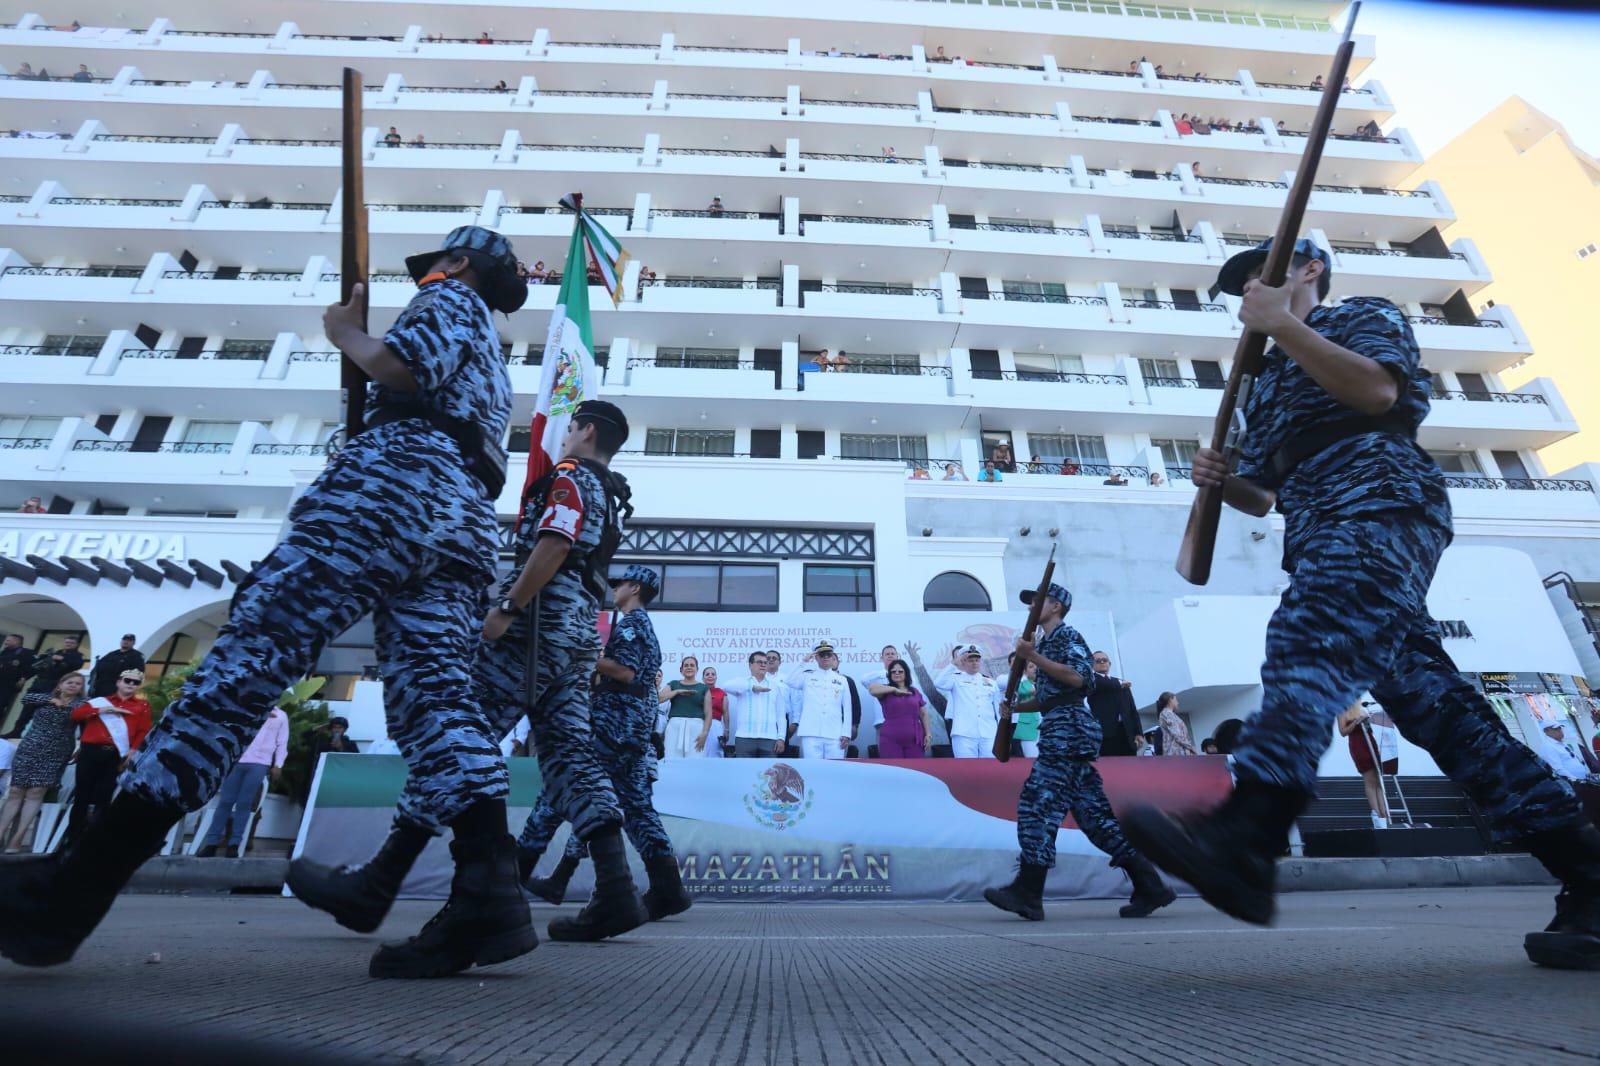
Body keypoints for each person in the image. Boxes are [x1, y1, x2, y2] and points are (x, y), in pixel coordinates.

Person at [0, 225, 531, 978]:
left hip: (388, 492)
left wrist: (347, 332)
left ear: (458, 263)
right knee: (438, 702)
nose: (427, 276)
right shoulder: (494, 360)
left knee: (247, 665)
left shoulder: (448, 299)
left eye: (436, 265)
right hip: (463, 520)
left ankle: (74, 892)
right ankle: (488, 890)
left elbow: (403, 369)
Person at [1121, 235, 1600, 972]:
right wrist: (1221, 479)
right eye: (1244, 283)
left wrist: (1284, 325)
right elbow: (1266, 490)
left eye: (1261, 272)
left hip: (1381, 503)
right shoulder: (1265, 381)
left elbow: (1377, 394)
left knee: (1307, 642)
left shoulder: (1357, 318)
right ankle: (1587, 868)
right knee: (1438, 711)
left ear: (1309, 269)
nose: (1249, 288)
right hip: (1318, 528)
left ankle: (1248, 834)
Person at [985, 582, 1173, 922]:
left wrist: (1033, 657)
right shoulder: (1047, 642)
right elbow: (1051, 697)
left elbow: (1079, 679)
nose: (1031, 608)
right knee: (1095, 819)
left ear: (1056, 606)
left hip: (1068, 731)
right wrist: (1017, 707)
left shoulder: (1066, 637)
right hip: (1064, 726)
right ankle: (1150, 884)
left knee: (1037, 805)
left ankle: (1029, 891)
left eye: (1037, 602)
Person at [523, 566, 692, 921]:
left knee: (561, 788)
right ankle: (668, 887)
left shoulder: (632, 624)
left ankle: (511, 875)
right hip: (627, 729)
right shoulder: (640, 625)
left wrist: (583, 655)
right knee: (636, 809)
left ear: (634, 587)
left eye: (619, 584)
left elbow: (625, 672)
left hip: (612, 725)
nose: (614, 589)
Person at [0, 673, 84, 854]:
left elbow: (89, 717)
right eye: (70, 682)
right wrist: (52, 700)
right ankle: (0, 834)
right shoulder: (44, 698)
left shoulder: (81, 704)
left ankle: (17, 839)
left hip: (57, 750)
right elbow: (26, 698)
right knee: (16, 790)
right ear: (60, 684)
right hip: (30, 747)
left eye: (78, 684)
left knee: (36, 791)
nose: (73, 686)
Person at [65, 670, 153, 842]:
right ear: (119, 682)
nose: (131, 684)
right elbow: (75, 715)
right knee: (82, 794)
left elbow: (143, 730)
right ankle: (73, 835)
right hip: (90, 751)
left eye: (136, 682)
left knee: (104, 795)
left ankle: (94, 837)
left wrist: (134, 749)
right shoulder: (100, 702)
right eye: (127, 680)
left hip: (116, 753)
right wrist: (104, 709)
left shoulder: (142, 706)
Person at [196, 704, 288, 857]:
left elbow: (282, 742)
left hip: (260, 762)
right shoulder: (244, 710)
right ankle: (211, 843)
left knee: (245, 803)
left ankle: (234, 844)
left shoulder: (281, 715)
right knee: (225, 801)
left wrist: (278, 764)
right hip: (235, 760)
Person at [785, 642, 852, 760]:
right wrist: (803, 662)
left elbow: (847, 708)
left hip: (835, 733)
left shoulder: (842, 680)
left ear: (833, 657)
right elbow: (789, 680)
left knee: (835, 770)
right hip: (811, 733)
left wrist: (846, 733)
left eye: (828, 654)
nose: (825, 657)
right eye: (822, 655)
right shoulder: (807, 676)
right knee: (812, 771)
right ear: (816, 657)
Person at [935, 644, 1001, 758]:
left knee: (991, 770)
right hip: (964, 734)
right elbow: (938, 683)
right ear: (963, 662)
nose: (974, 663)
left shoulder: (991, 682)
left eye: (977, 660)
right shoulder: (955, 678)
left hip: (989, 733)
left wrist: (1002, 734)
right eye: (970, 660)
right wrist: (954, 664)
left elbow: (999, 709)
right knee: (966, 771)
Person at [11, 636, 84, 737]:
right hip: (39, 684)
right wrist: (24, 677)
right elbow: (37, 666)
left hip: (53, 686)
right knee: (27, 710)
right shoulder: (56, 652)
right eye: (67, 642)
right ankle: (16, 732)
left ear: (76, 645)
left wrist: (62, 659)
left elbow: (77, 664)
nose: (68, 644)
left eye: (71, 643)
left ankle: (34, 735)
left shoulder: (77, 656)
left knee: (45, 712)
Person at [1339, 702, 1396, 828]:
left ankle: (1384, 815)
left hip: (1371, 742)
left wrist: (1372, 719)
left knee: (1379, 781)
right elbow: (1343, 732)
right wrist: (1356, 722)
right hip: (1358, 744)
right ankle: (1376, 815)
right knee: (1370, 781)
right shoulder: (1342, 711)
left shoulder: (1363, 710)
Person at [722, 652, 788, 757]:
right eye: (759, 662)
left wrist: (781, 738)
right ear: (750, 665)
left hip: (769, 738)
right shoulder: (742, 683)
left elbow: (781, 715)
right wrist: (752, 688)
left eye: (765, 663)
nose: (763, 665)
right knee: (744, 772)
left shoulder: (775, 687)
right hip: (744, 737)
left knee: (768, 772)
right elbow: (725, 686)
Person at [870, 659, 932, 758]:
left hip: (915, 739)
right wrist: (894, 690)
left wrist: (928, 734)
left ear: (906, 673)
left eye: (900, 671)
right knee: (894, 771)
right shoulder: (885, 690)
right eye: (893, 671)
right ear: (889, 674)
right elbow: (872, 689)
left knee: (914, 770)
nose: (897, 673)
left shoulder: (915, 691)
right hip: (890, 739)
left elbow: (923, 714)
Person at [1087, 651, 1142, 758]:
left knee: (1131, 769)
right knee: (1112, 771)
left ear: (1109, 663)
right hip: (1107, 735)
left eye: (1105, 660)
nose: (1102, 662)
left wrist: (1139, 732)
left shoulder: (1120, 683)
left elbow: (1132, 710)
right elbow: (1103, 684)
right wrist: (1120, 684)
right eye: (1098, 661)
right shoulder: (1091, 681)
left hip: (1127, 733)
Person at [658, 657, 711, 758]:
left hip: (696, 728)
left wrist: (705, 733)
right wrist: (677, 691)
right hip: (674, 728)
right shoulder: (673, 684)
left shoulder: (704, 688)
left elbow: (708, 713)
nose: (689, 667)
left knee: (695, 761)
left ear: (697, 669)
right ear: (681, 670)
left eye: (692, 665)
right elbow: (659, 699)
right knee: (671, 760)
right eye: (686, 665)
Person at [87, 633, 145, 700]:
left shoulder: (136, 656)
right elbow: (98, 667)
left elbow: (137, 674)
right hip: (98, 688)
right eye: (124, 639)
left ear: (133, 643)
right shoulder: (112, 654)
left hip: (116, 689)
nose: (126, 642)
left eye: (129, 640)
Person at [0, 634, 33, 730]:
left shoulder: (26, 653)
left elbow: (33, 667)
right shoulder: (5, 652)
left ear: (17, 641)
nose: (6, 642)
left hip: (8, 686)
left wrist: (24, 678)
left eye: (8, 640)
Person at [1010, 656, 1041, 758]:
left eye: (1037, 666)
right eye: (1031, 667)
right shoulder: (1020, 685)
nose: (1035, 669)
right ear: (1025, 671)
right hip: (1029, 730)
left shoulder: (1044, 684)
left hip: (1047, 730)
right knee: (1032, 761)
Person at [702, 666, 728, 758]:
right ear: (703, 678)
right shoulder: (699, 691)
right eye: (707, 674)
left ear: (716, 677)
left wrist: (727, 730)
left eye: (713, 674)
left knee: (716, 752)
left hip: (716, 725)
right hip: (700, 724)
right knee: (700, 752)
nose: (710, 676)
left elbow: (725, 712)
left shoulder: (721, 693)